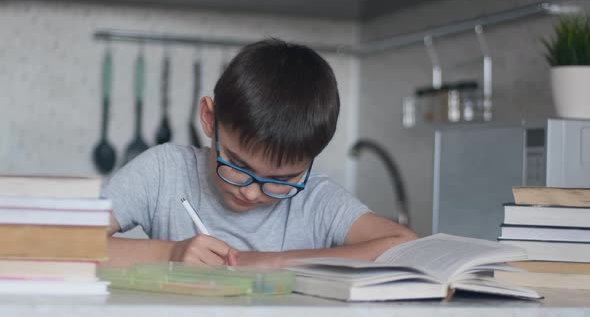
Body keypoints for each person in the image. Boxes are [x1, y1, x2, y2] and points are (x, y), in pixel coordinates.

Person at [102, 38, 416, 268]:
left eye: (283, 179)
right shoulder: (163, 172)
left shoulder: (317, 201)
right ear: (210, 120)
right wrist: (169, 255)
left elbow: (405, 246)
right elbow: (58, 243)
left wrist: (274, 262)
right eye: (238, 165)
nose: (252, 194)